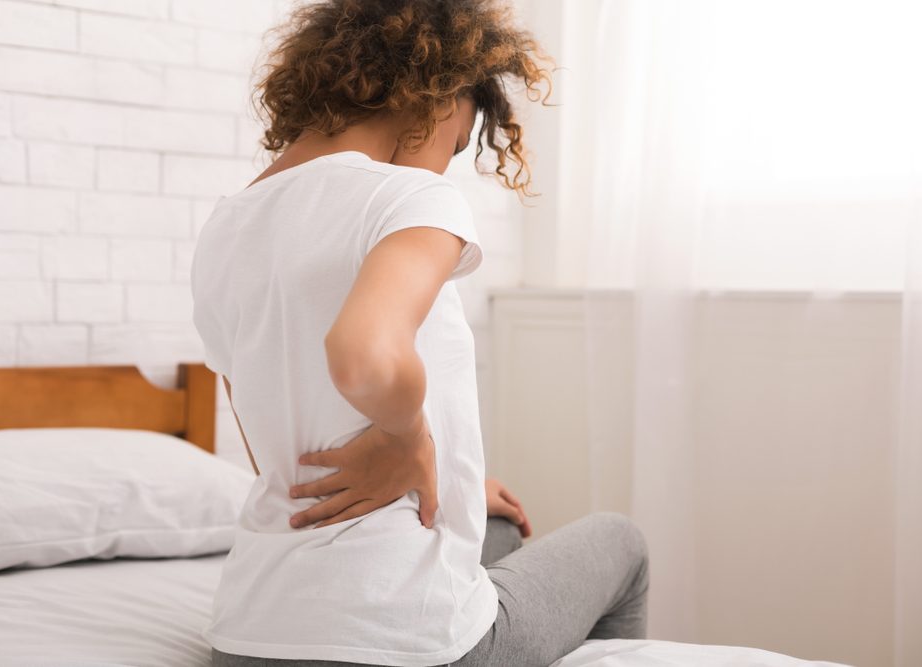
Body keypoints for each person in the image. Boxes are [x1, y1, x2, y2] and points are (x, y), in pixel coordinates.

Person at [190, 1, 650, 665]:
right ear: (435, 95)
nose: (446, 166)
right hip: (405, 642)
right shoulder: (411, 200)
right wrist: (409, 438)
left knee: (496, 525)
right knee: (621, 540)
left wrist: (457, 477)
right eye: (458, 144)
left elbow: (274, 457)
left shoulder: (224, 229)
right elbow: (364, 354)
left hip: (248, 639)